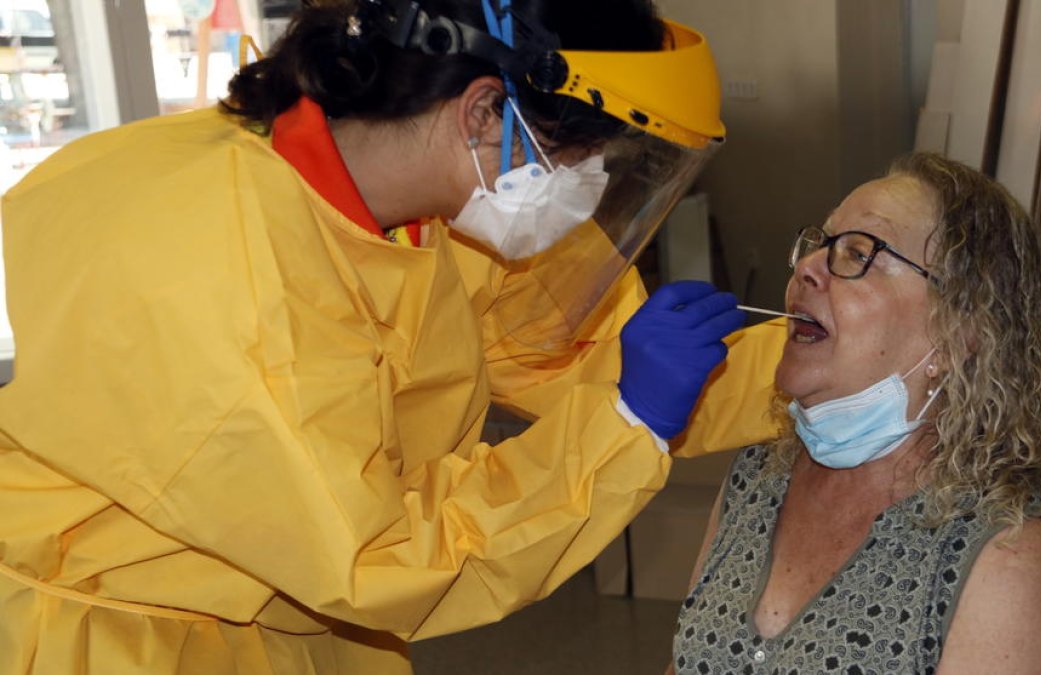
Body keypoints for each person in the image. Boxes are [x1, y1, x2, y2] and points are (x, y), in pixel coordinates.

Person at [0, 1, 772, 672]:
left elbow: (562, 343)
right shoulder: (226, 265)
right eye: (581, 154)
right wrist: (627, 424)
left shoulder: (429, 208)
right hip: (117, 640)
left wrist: (822, 374)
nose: (593, 179)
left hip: (290, 622)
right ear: (480, 113)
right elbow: (383, 555)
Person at [671, 153, 1041, 675]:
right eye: (820, 243)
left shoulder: (1009, 561)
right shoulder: (755, 478)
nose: (807, 267)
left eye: (859, 253)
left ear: (958, 334)